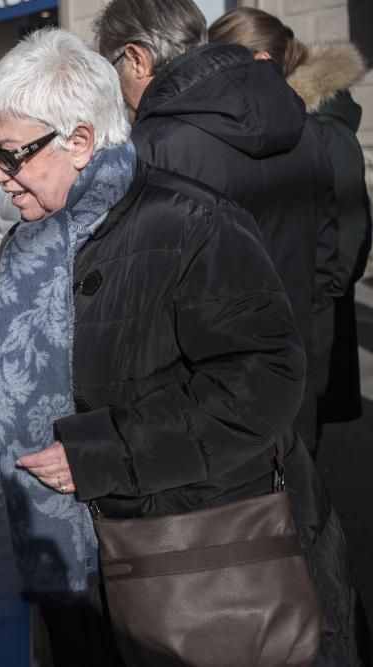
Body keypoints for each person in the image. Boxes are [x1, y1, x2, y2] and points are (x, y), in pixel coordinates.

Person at [0, 27, 357, 665]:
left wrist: (104, 451)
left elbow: (262, 384)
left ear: (82, 141)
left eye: (9, 153)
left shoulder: (190, 225)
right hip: (62, 561)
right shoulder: (27, 243)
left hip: (172, 559)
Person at [93, 0, 340, 457]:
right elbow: (326, 255)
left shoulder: (152, 149)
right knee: (298, 515)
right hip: (293, 370)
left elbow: (131, 303)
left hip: (204, 402)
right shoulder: (305, 126)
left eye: (112, 68)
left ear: (136, 57)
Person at [209, 7, 373, 436]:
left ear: (261, 62)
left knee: (298, 463)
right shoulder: (265, 121)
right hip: (274, 325)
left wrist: (306, 301)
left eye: (221, 64)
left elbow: (347, 243)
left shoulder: (321, 131)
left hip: (305, 327)